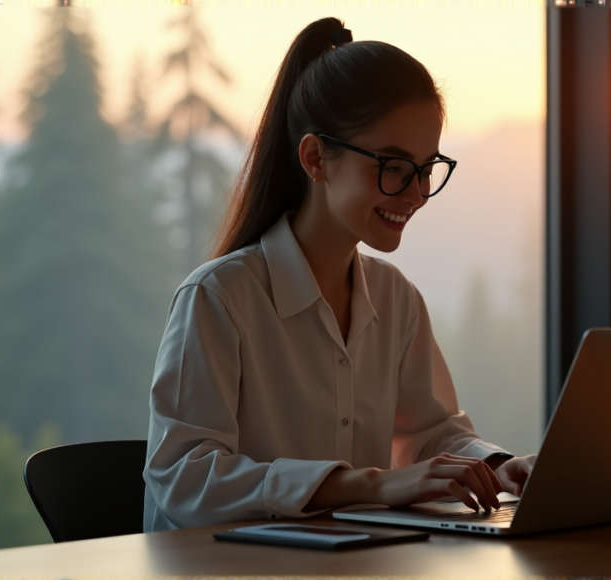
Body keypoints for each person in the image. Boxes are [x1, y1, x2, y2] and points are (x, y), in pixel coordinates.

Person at [142, 17, 536, 532]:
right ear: (315, 158)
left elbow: (431, 431)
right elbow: (184, 478)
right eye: (393, 166)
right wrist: (371, 484)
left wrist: (498, 468)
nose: (416, 192)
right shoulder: (218, 298)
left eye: (425, 168)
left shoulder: (397, 299)